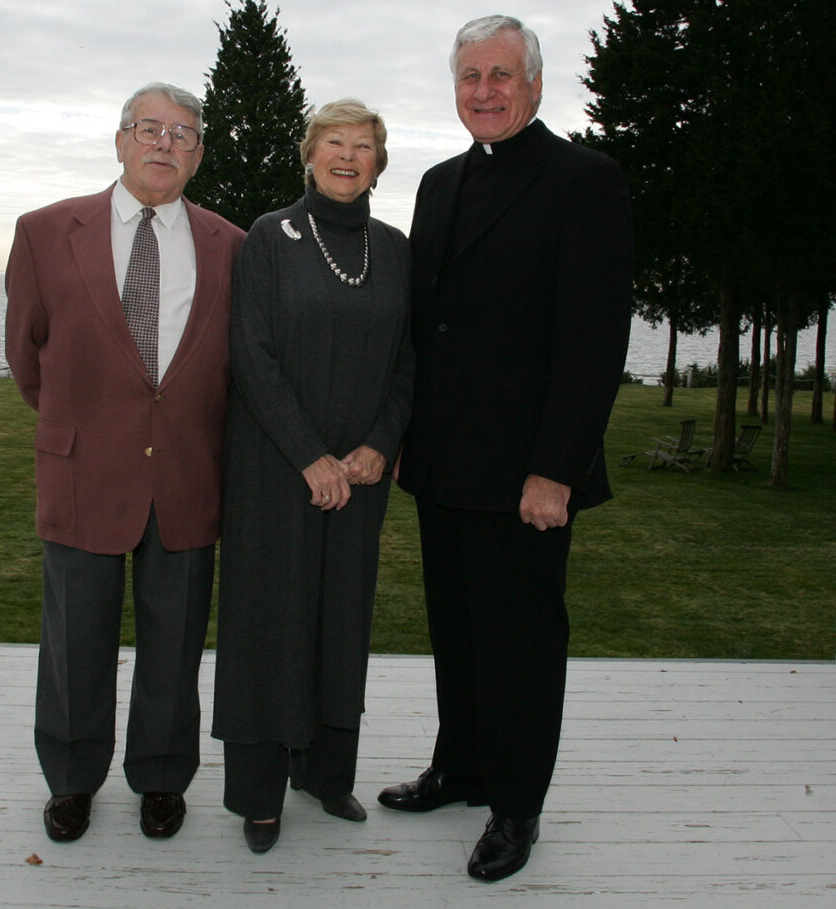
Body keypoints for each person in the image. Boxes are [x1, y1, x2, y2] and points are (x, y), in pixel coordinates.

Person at [378, 16, 633, 882]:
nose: (483, 90)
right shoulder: (438, 182)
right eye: (469, 77)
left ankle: (516, 805)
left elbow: (594, 341)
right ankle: (462, 767)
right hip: (445, 462)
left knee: (520, 640)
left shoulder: (584, 182)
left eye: (500, 74)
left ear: (533, 84)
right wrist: (411, 439)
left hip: (529, 470)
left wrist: (556, 467)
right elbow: (426, 324)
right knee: (456, 629)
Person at [4, 82, 245, 843]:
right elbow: (26, 355)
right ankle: (72, 780)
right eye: (150, 128)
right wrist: (85, 426)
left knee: (175, 645)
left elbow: (236, 365)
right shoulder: (45, 232)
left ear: (199, 154)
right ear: (120, 140)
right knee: (75, 642)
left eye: (182, 133)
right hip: (83, 470)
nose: (164, 143)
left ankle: (162, 778)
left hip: (187, 475)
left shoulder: (232, 246)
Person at [211, 99, 414, 855]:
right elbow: (251, 353)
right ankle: (260, 795)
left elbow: (407, 363)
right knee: (270, 627)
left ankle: (327, 775)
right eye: (335, 141)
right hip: (275, 471)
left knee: (339, 623)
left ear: (378, 164)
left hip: (360, 481)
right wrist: (309, 455)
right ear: (309, 152)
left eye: (364, 145)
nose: (348, 155)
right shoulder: (270, 237)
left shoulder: (395, 250)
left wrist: (378, 446)